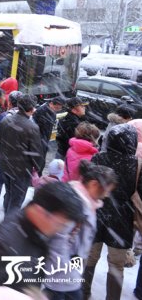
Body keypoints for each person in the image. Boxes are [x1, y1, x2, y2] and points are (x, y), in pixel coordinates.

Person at [0, 181, 85, 300]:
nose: (59, 230)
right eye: (60, 224)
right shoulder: (6, 243)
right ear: (41, 212)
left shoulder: (37, 230)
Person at [44, 160, 117, 300]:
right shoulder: (77, 204)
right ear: (94, 184)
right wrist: (67, 273)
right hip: (60, 273)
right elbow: (58, 243)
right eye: (107, 190)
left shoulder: (88, 202)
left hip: (68, 271)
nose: (107, 195)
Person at [83, 124, 140, 300]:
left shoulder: (98, 158)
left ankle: (83, 293)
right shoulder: (137, 163)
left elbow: (87, 186)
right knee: (116, 265)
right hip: (122, 218)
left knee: (90, 259)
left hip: (96, 214)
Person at [0, 94, 43, 214]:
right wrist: (37, 168)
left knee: (9, 193)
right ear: (32, 109)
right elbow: (35, 152)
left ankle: (6, 219)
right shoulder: (32, 127)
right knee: (16, 200)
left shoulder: (6, 119)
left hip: (5, 164)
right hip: (21, 170)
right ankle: (9, 225)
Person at [33, 96, 66, 173]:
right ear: (51, 104)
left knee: (41, 164)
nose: (58, 110)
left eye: (59, 108)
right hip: (39, 142)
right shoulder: (42, 111)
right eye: (57, 108)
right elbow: (40, 128)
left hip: (44, 141)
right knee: (38, 164)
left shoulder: (51, 111)